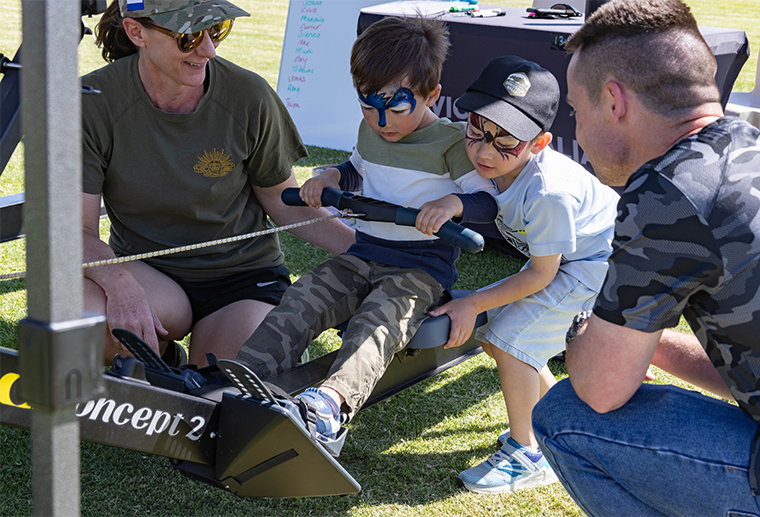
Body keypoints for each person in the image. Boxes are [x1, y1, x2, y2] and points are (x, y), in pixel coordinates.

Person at [531, 1, 760, 515]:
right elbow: (754, 361)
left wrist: (581, 335)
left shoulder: (669, 192)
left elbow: (600, 390)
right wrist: (650, 343)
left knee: (565, 416)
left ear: (614, 100)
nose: (576, 127)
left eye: (577, 109)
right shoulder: (755, 150)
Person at [233, 15, 497, 446]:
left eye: (395, 107)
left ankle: (330, 408)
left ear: (432, 95)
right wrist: (330, 179)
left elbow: (485, 200)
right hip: (363, 254)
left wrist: (452, 205)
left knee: (376, 323)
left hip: (419, 269)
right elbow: (355, 170)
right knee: (302, 297)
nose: (380, 120)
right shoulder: (371, 131)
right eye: (367, 105)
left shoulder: (450, 143)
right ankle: (244, 379)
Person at [82, 0, 355, 368]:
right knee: (84, 323)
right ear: (136, 32)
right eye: (189, 35)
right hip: (148, 272)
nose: (208, 49)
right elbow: (73, 231)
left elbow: (283, 202)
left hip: (241, 280)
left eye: (217, 31)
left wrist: (369, 250)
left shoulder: (249, 95)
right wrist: (119, 285)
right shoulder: (91, 103)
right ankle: (161, 360)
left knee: (230, 388)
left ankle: (169, 367)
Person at [425, 56, 619, 493]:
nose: (484, 151)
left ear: (539, 143)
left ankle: (527, 452)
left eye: (505, 142)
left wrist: (474, 301)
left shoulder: (549, 193)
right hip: (570, 260)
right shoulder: (492, 162)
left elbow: (541, 275)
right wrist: (455, 204)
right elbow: (476, 191)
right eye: (477, 131)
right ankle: (557, 427)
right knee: (507, 342)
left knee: (509, 339)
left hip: (600, 265)